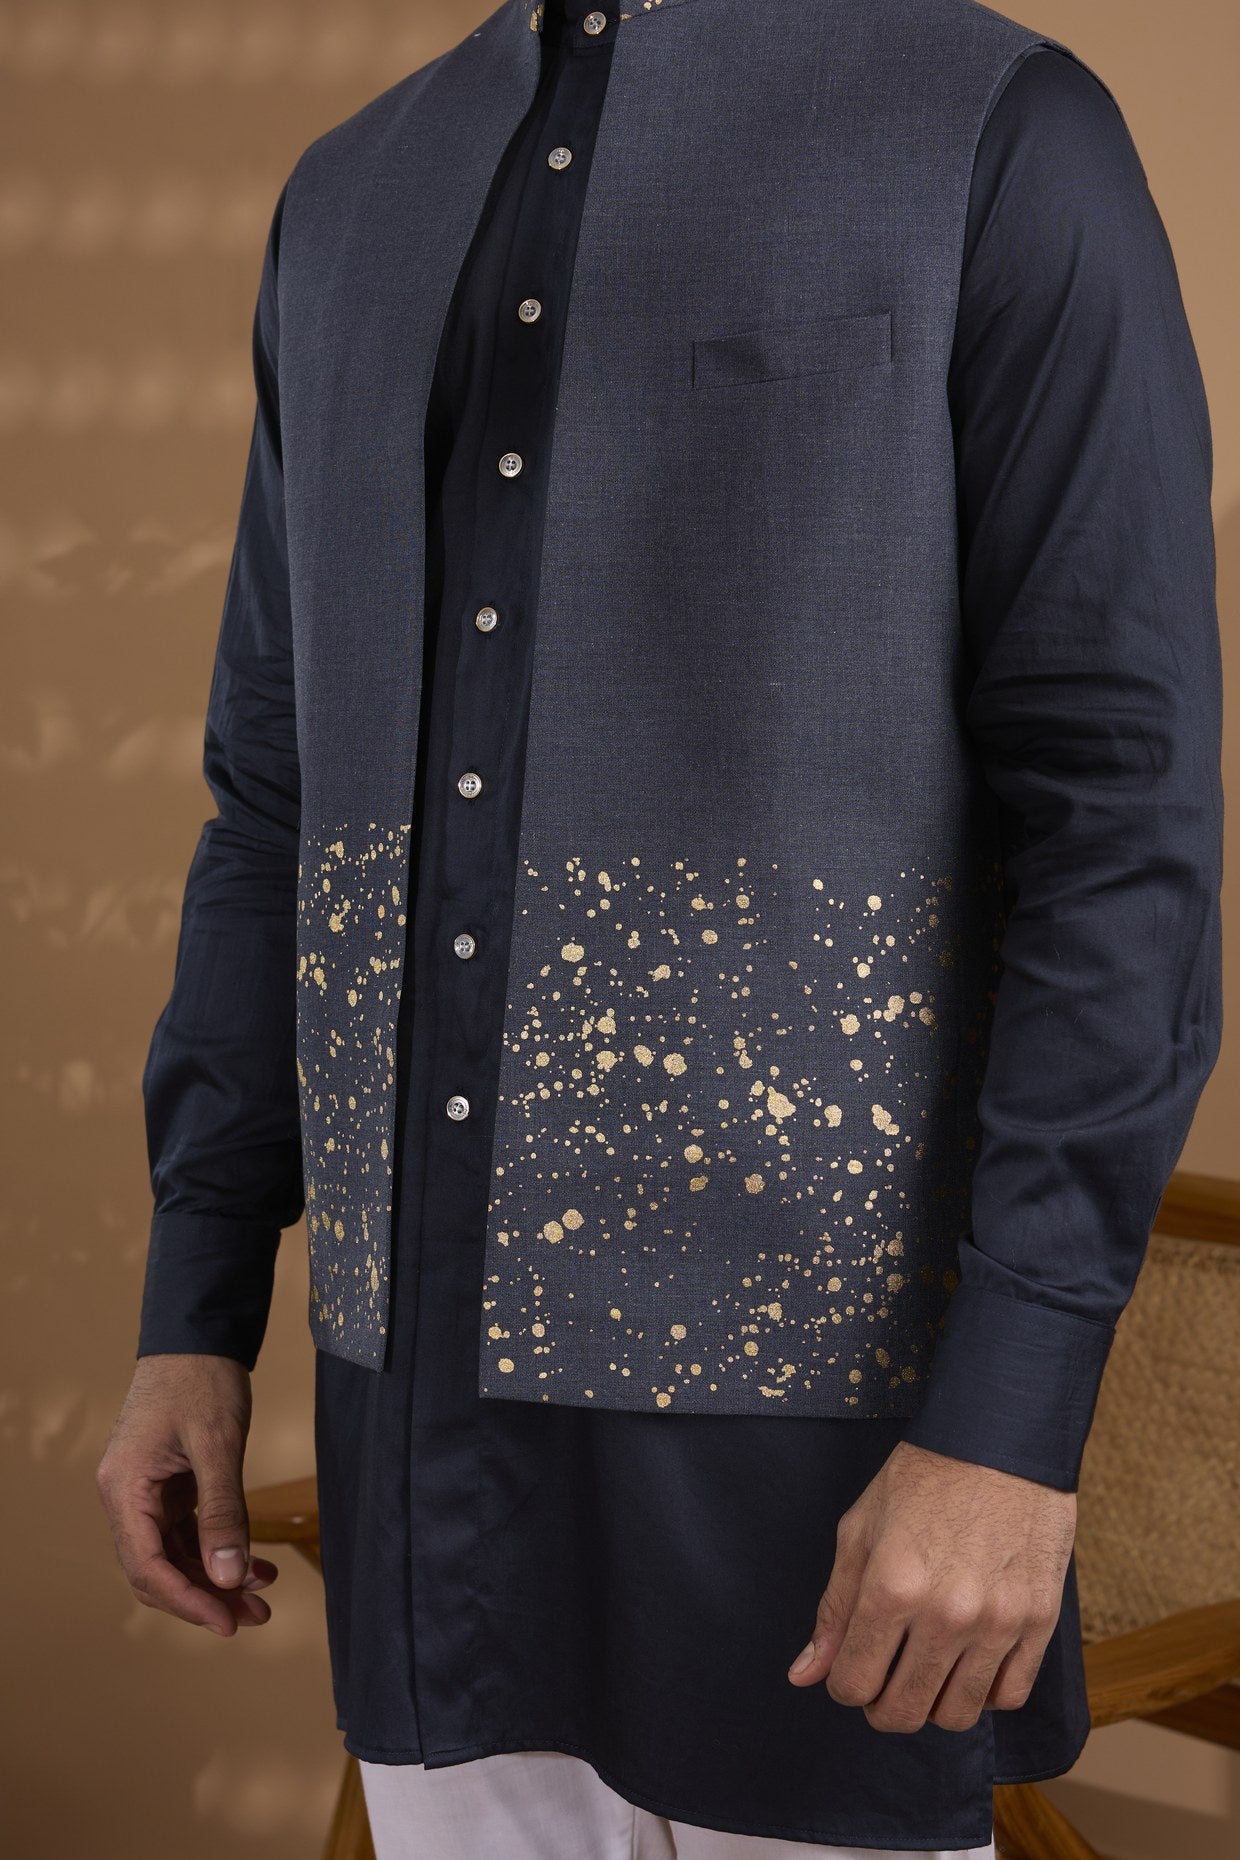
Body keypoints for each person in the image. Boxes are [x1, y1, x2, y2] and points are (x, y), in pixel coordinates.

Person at [96, 1, 1223, 1855]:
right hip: (420, 1449)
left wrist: (1009, 1426)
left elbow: (1120, 813)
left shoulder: (1001, 134)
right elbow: (278, 805)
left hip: (829, 1465)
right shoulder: (348, 195)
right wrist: (190, 1314)